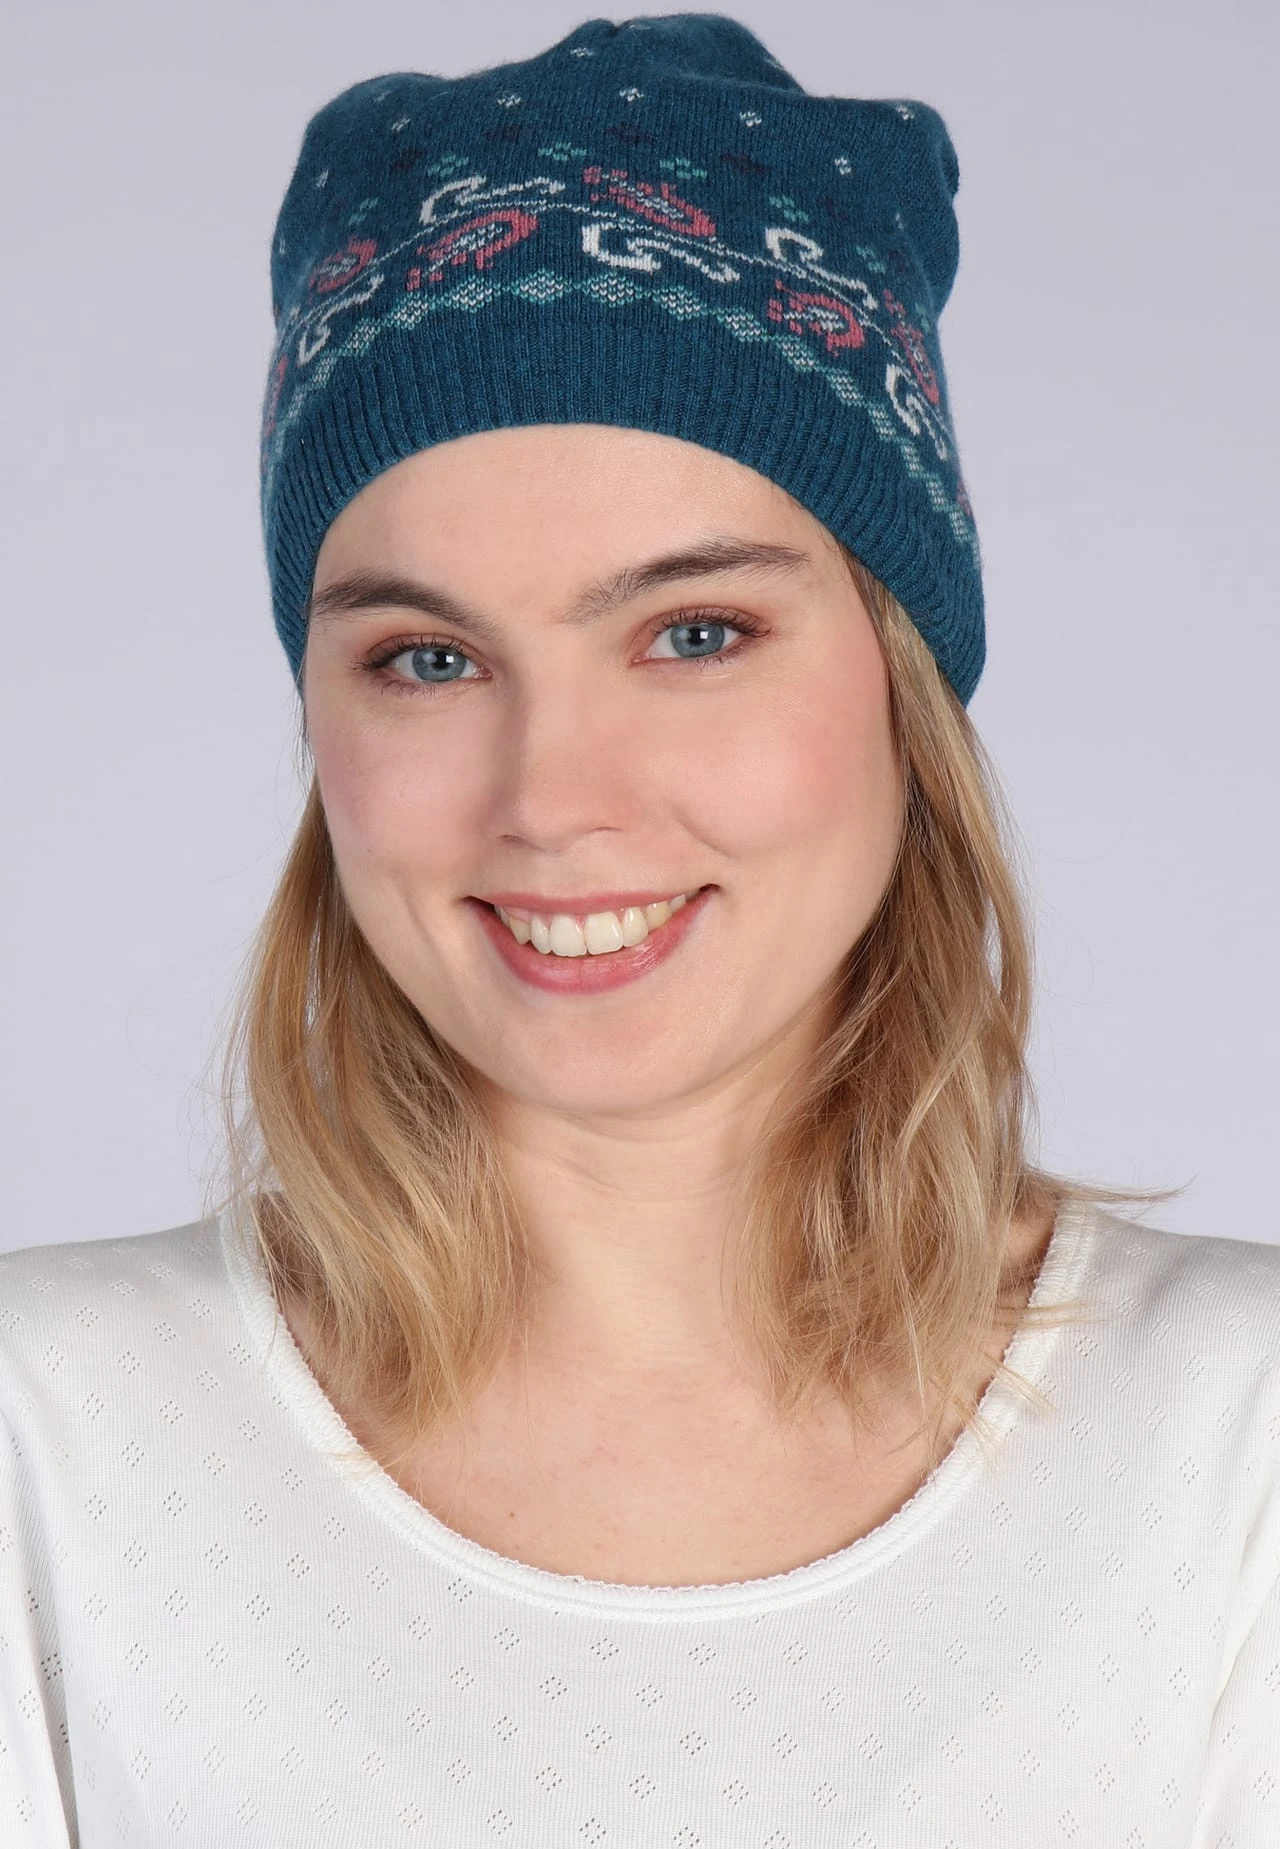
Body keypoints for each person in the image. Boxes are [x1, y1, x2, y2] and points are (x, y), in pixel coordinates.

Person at [1, 15, 1276, 1846]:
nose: (553, 798)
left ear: (900, 682)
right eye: (426, 659)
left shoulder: (1237, 1441)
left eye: (694, 635)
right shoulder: (48, 1440)